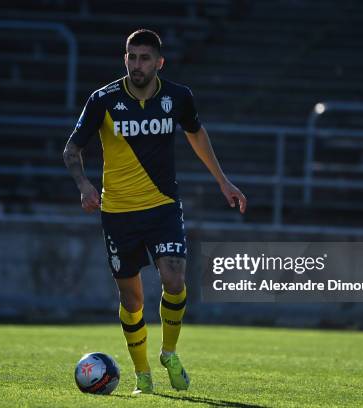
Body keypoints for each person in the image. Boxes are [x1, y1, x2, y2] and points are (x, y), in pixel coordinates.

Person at [63, 29, 246, 395]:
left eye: (145, 58)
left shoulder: (178, 97)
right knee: (132, 300)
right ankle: (142, 374)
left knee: (174, 278)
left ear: (159, 63)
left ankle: (169, 353)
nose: (137, 65)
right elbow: (71, 150)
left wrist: (223, 181)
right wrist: (84, 185)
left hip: (162, 206)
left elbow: (196, 134)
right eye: (131, 57)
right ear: (125, 59)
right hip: (118, 213)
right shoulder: (104, 100)